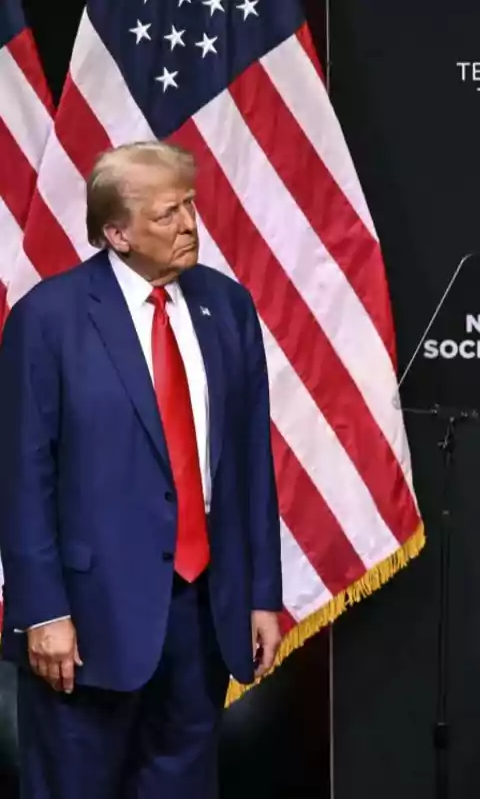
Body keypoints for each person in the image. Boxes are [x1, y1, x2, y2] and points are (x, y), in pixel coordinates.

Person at [0, 141, 284, 799]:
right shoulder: (48, 319)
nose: (189, 225)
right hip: (85, 620)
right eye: (167, 214)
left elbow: (248, 462)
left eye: (189, 206)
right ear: (115, 232)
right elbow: (22, 477)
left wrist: (260, 593)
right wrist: (42, 611)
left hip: (201, 610)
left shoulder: (227, 307)